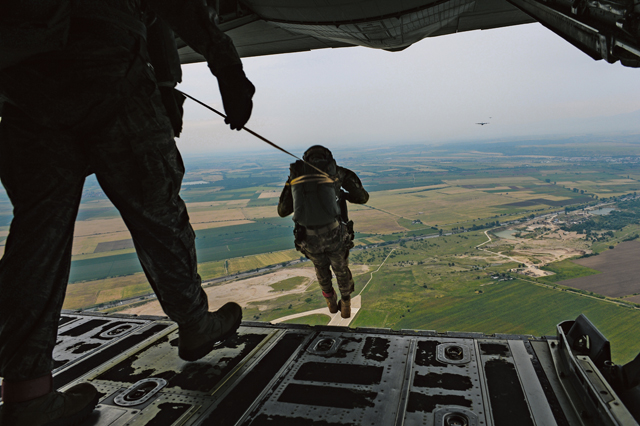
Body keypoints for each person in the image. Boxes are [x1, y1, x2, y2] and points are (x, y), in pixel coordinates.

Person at [0, 1, 255, 425]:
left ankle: (27, 394)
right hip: (112, 69)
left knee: (36, 237)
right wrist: (225, 65)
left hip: (28, 86)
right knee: (160, 215)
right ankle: (194, 324)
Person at [277, 146, 369, 319]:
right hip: (334, 234)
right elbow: (362, 197)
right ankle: (346, 302)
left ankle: (330, 301)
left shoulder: (296, 176)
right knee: (340, 267)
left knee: (320, 267)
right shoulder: (337, 173)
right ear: (328, 159)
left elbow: (282, 210)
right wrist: (342, 194)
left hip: (308, 238)